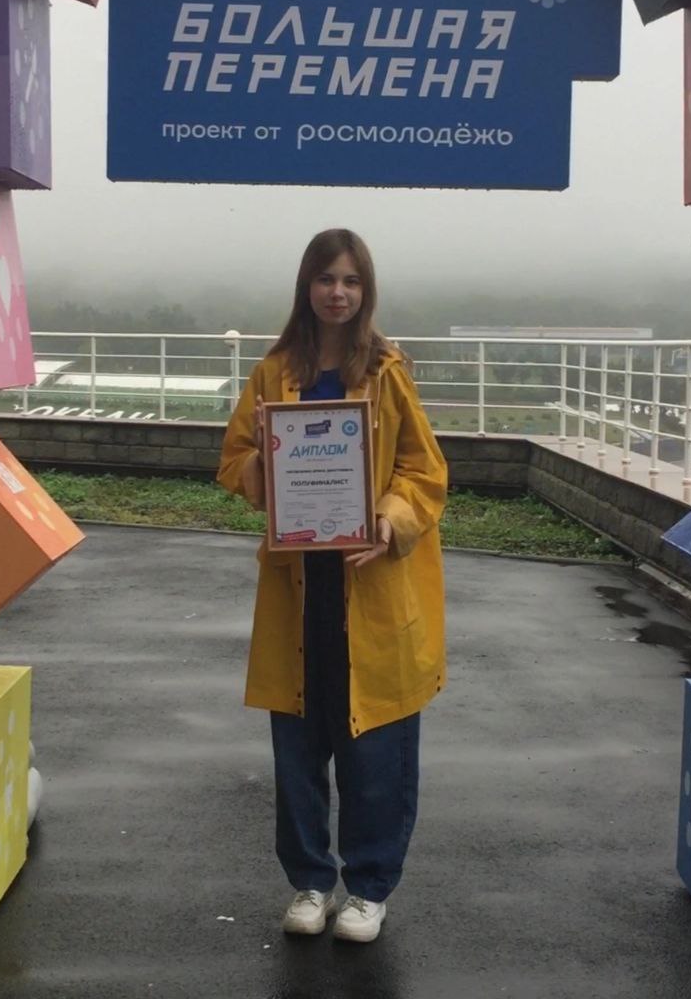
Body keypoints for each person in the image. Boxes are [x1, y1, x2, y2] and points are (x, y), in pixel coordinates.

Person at [217, 229, 447, 944]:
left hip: (369, 581)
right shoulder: (273, 373)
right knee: (298, 742)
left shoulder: (385, 371)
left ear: (365, 290)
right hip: (299, 586)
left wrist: (389, 518)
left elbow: (425, 470)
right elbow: (233, 461)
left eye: (350, 280)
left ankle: (369, 888)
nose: (337, 293)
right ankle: (311, 881)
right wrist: (263, 459)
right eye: (325, 279)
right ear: (306, 287)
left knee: (375, 746)